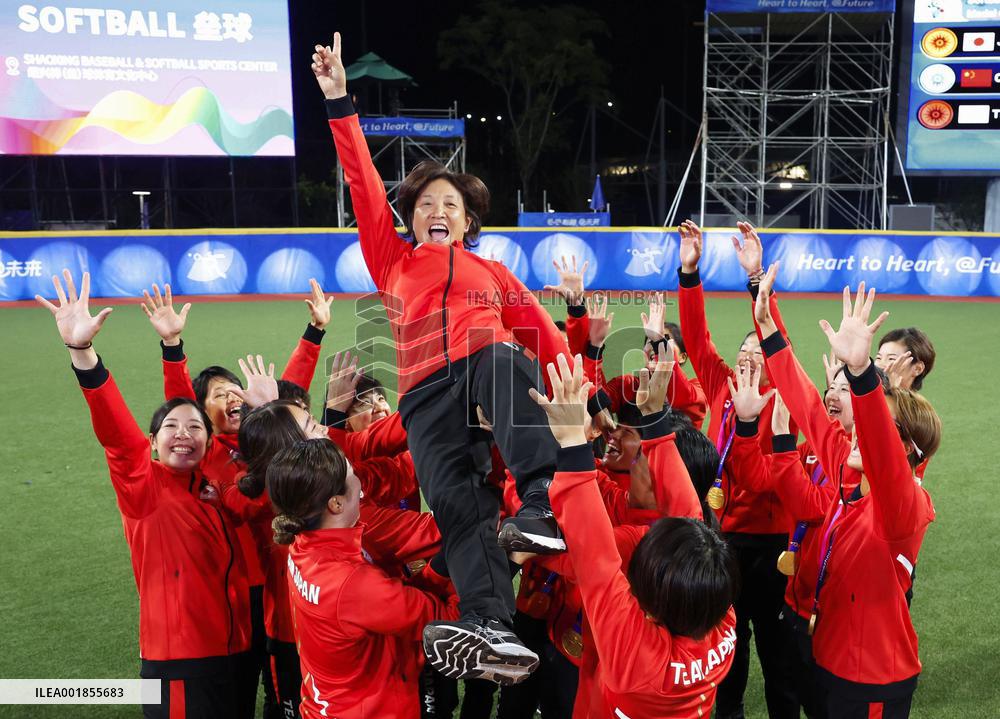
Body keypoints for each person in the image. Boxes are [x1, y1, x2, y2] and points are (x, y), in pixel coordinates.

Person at [313, 32, 605, 682]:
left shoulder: (492, 274)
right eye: (425, 205)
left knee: (506, 360)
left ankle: (538, 498)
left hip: (482, 367)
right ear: (411, 221)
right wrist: (339, 103)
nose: (437, 211)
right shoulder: (391, 260)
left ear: (469, 222)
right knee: (459, 506)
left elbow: (543, 335)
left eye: (451, 204)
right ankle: (492, 627)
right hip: (422, 399)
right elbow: (363, 185)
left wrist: (593, 392)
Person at [36, 270, 252, 718]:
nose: (183, 434)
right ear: (152, 443)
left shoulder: (211, 488)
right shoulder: (144, 485)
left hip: (232, 654)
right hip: (180, 665)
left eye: (195, 428)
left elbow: (186, 412)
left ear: (209, 444)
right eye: (170, 428)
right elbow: (116, 433)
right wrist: (82, 351)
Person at [755, 269, 942, 718]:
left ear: (904, 448)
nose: (858, 429)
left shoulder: (905, 507)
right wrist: (767, 326)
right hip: (828, 657)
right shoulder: (848, 471)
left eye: (875, 423)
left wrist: (861, 373)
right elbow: (804, 401)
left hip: (870, 679)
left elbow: (883, 452)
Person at [530, 353, 740, 718]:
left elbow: (597, 559)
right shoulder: (720, 622)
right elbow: (689, 517)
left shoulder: (636, 653)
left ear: (652, 605)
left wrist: (573, 447)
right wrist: (656, 424)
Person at [677, 220, 799, 719]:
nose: (749, 358)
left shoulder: (786, 402)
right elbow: (696, 338)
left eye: (758, 353)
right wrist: (690, 271)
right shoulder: (723, 387)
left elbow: (777, 340)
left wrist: (755, 282)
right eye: (744, 352)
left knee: (777, 655)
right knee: (729, 646)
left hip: (769, 545)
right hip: (722, 537)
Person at [267, 438, 461, 718]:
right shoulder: (351, 581)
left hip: (329, 706)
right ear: (335, 503)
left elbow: (385, 604)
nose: (361, 479)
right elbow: (446, 623)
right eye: (353, 474)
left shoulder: (302, 544)